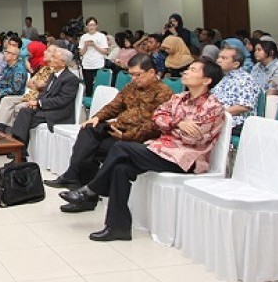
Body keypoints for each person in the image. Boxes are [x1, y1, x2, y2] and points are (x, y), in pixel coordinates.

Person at [59, 59, 225, 242]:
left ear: (207, 80)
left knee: (121, 148)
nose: (185, 72)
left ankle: (91, 190)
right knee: (120, 168)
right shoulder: (179, 99)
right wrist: (179, 123)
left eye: (193, 70)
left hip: (185, 159)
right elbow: (158, 117)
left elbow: (192, 138)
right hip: (161, 149)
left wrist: (170, 125)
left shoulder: (213, 107)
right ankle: (117, 227)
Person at [45, 54, 173, 191]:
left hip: (137, 136)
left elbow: (154, 126)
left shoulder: (164, 93)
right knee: (89, 129)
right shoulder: (131, 87)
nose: (134, 79)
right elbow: (114, 106)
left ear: (151, 72)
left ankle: (81, 187)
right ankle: (75, 179)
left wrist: (126, 136)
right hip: (119, 128)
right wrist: (98, 117)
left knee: (92, 149)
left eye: (138, 75)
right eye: (131, 75)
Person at [8, 47, 81, 148]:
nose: (52, 59)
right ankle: (18, 147)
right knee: (24, 111)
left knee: (26, 119)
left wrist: (39, 103)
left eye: (55, 58)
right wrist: (37, 101)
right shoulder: (53, 74)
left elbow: (62, 100)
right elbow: (45, 93)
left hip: (59, 112)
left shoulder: (71, 79)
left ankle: (18, 148)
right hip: (48, 108)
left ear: (63, 63)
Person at [212, 45, 259, 136]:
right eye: (218, 57)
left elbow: (243, 107)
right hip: (220, 119)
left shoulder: (244, 79)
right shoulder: (225, 77)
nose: (218, 60)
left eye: (224, 58)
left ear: (236, 64)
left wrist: (216, 116)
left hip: (236, 123)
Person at [78, 17, 109, 97]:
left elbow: (105, 51)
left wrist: (95, 45)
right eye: (89, 25)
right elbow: (81, 53)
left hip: (99, 64)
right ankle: (88, 102)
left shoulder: (101, 36)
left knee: (99, 85)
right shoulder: (83, 37)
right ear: (86, 26)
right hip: (87, 64)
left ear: (97, 25)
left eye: (93, 25)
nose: (91, 27)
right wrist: (85, 46)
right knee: (88, 85)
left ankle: (99, 100)